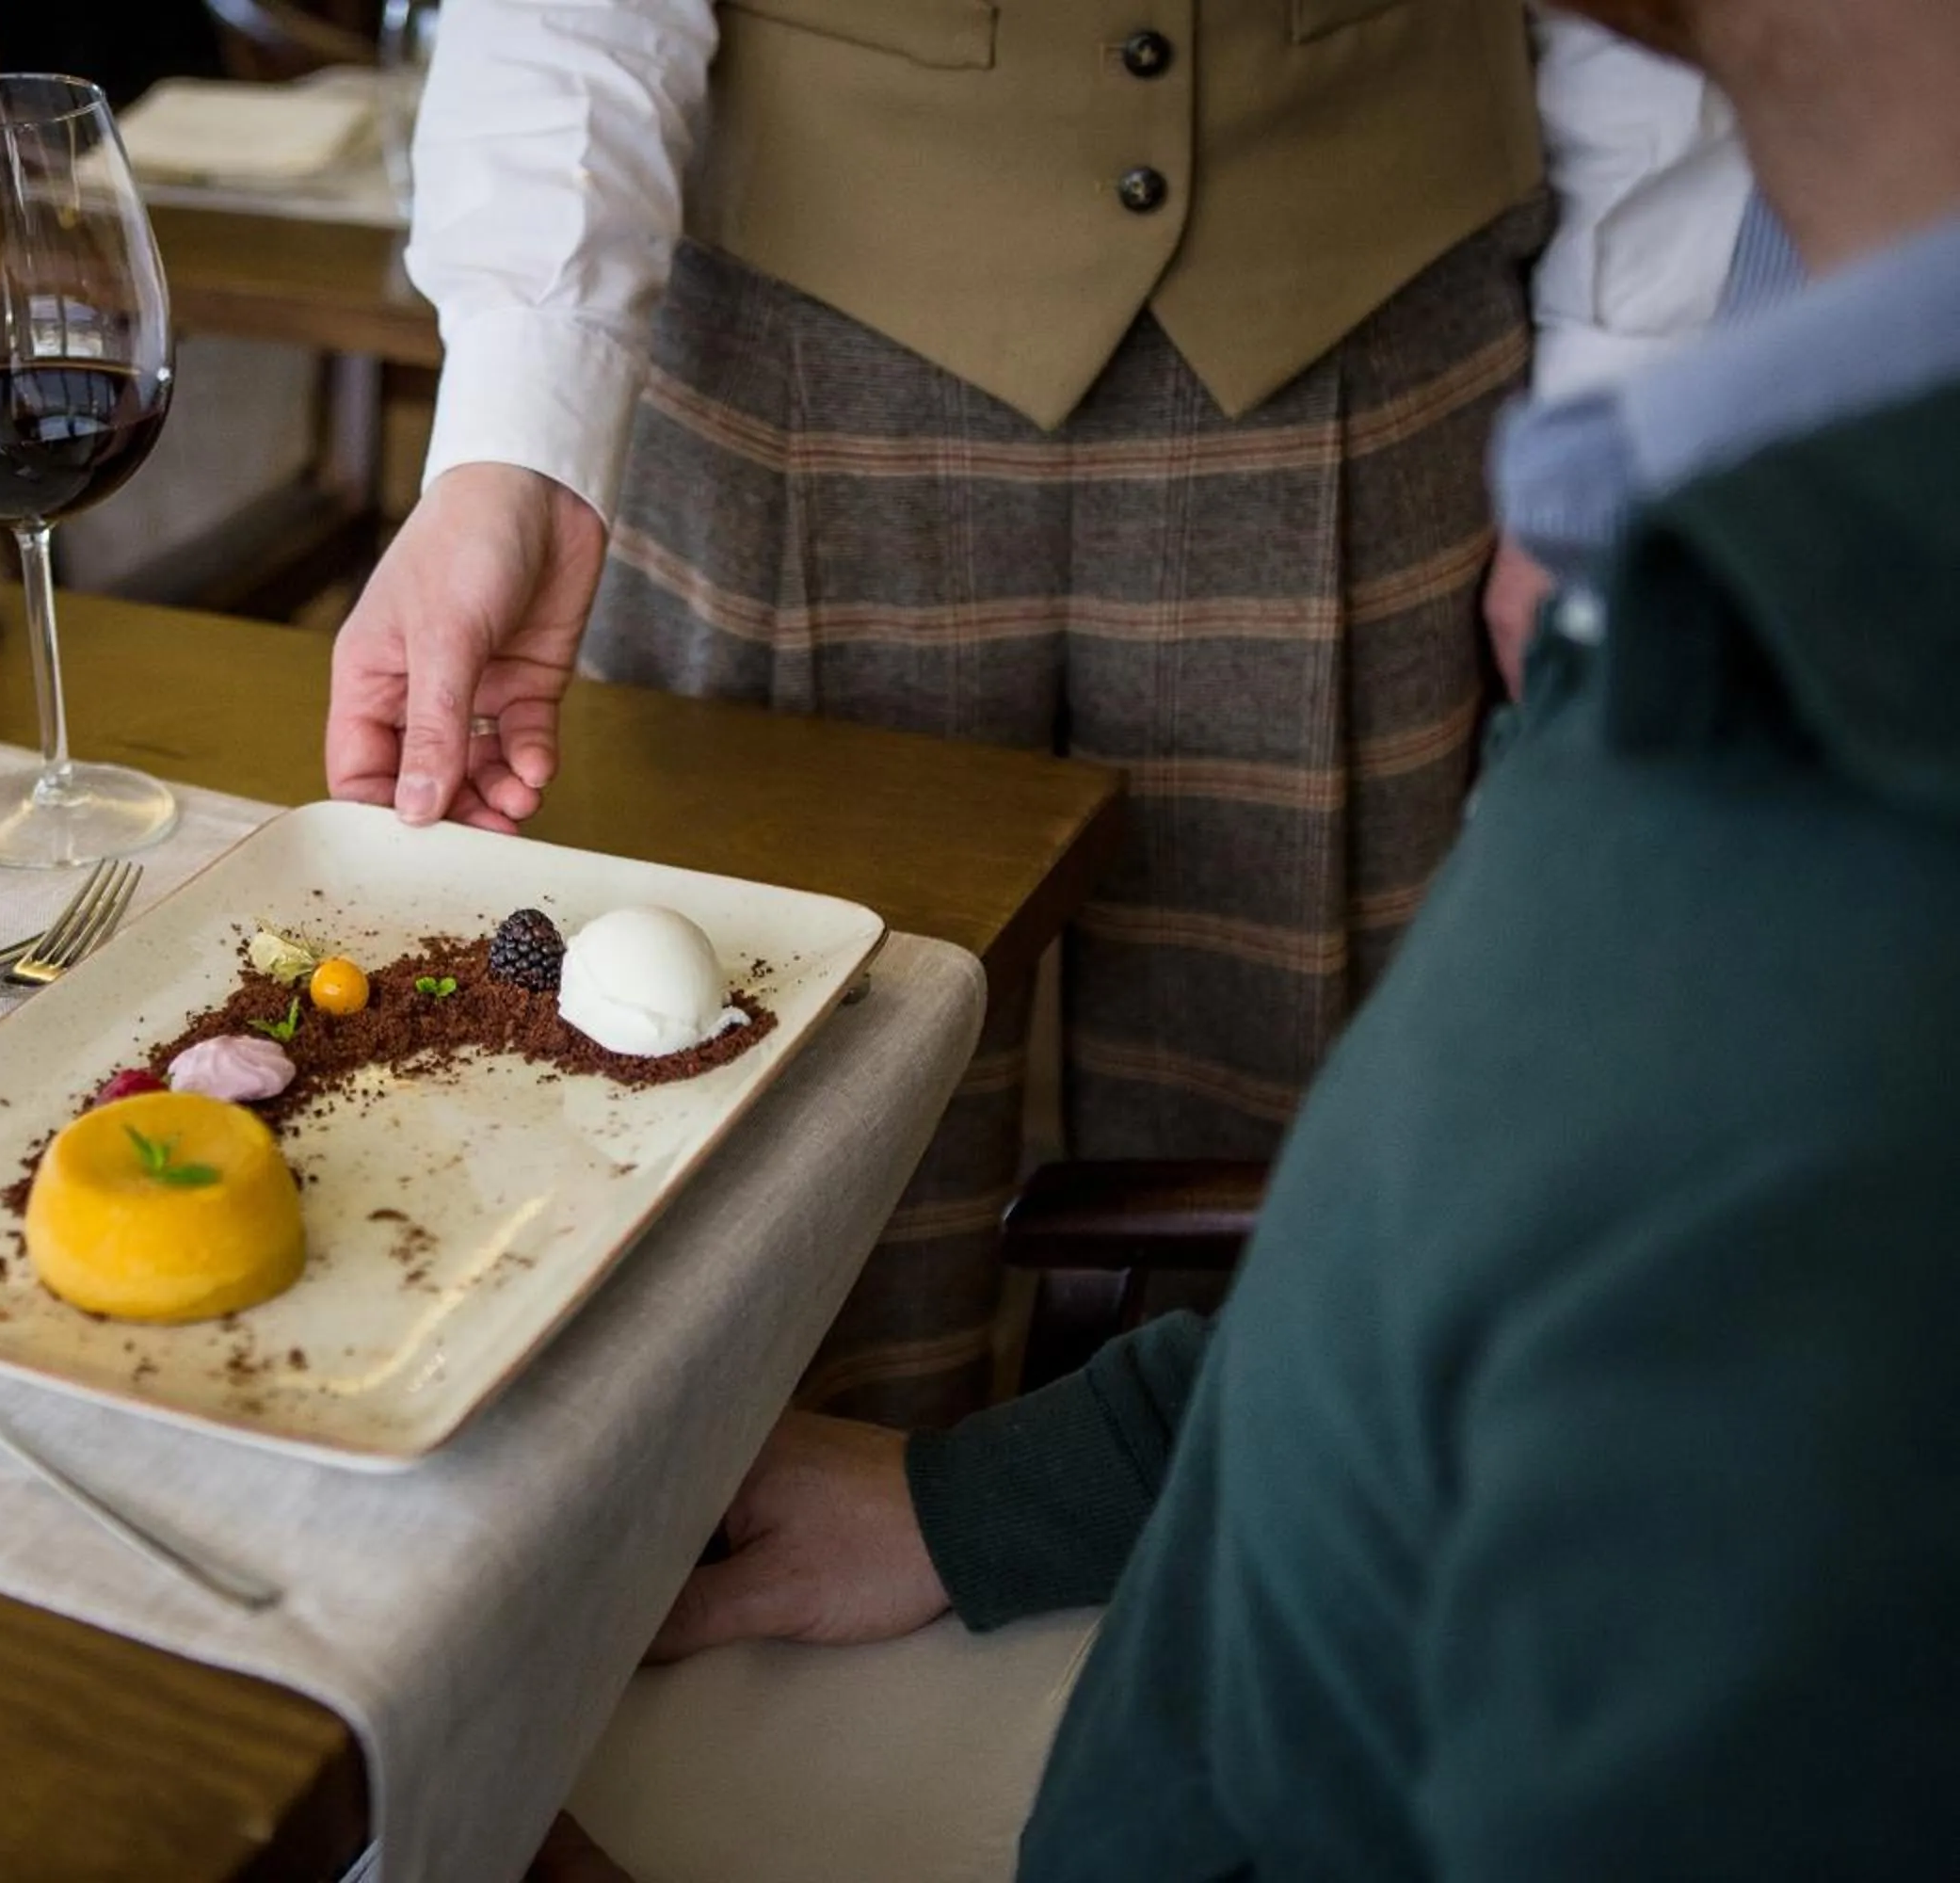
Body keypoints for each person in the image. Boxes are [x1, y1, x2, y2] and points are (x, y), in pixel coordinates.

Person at [519, 0, 1960, 1875]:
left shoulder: (1782, 824)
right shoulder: (1734, 680)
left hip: (1361, 326)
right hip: (815, 338)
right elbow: (1409, 1271)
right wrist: (989, 1501)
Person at [328, 2, 1745, 1422]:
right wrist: (515, 436)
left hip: (1367, 327)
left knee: (1297, 1162)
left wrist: (1619, 410)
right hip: (798, 358)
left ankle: (1214, 1600)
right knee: (783, 1117)